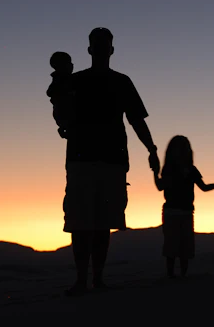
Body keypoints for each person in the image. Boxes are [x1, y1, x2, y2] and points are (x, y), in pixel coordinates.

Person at [47, 27, 160, 296]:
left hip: (109, 159)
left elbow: (136, 120)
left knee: (100, 221)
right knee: (81, 220)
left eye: (103, 44)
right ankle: (84, 279)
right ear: (91, 49)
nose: (99, 48)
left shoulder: (121, 82)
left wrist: (152, 148)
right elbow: (59, 110)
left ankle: (94, 278)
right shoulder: (75, 81)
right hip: (83, 158)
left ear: (110, 49)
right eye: (96, 44)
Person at [153, 136, 214, 278]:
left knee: (179, 244)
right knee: (177, 244)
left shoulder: (183, 169)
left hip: (182, 212)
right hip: (175, 212)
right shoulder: (173, 169)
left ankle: (178, 274)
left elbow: (160, 186)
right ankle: (175, 274)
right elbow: (161, 186)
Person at [46, 51, 75, 139]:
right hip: (62, 109)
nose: (72, 65)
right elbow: (49, 92)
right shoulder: (59, 78)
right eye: (68, 63)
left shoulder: (69, 79)